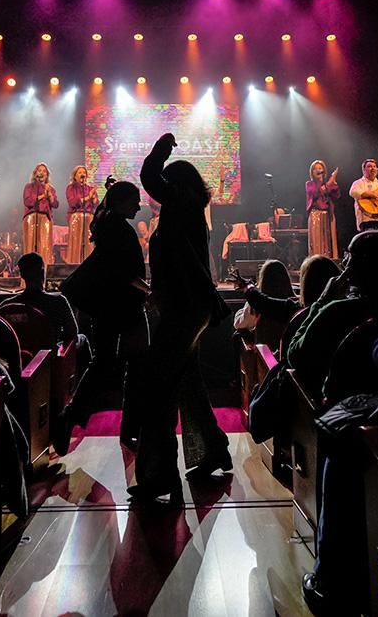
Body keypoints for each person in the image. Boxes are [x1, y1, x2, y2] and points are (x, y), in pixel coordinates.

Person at [129, 133, 231, 502]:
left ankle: (159, 477)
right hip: (190, 304)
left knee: (159, 388)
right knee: (187, 381)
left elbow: (148, 177)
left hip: (184, 307)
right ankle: (213, 450)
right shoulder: (186, 209)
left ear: (178, 184)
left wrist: (161, 147)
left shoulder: (180, 202)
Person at [56, 181, 150, 454]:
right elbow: (125, 273)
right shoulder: (119, 229)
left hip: (109, 305)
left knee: (106, 364)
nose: (138, 206)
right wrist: (149, 291)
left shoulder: (107, 224)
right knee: (134, 366)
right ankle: (127, 429)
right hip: (124, 305)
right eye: (134, 201)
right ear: (121, 202)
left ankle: (72, 416)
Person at [1, 252, 79, 344]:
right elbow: (72, 332)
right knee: (82, 338)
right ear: (42, 272)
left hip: (17, 355)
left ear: (22, 275)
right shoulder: (58, 302)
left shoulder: (7, 305)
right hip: (49, 354)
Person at [22, 162, 59, 265]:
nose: (41, 173)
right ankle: (28, 274)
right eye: (39, 170)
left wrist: (50, 195)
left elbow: (56, 204)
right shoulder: (29, 187)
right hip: (31, 217)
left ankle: (44, 275)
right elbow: (28, 202)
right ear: (35, 173)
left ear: (47, 175)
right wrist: (43, 196)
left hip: (45, 218)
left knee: (45, 247)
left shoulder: (51, 189)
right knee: (30, 246)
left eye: (44, 171)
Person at [306, 160, 341, 258]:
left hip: (328, 215)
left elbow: (337, 195)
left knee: (329, 241)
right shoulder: (310, 184)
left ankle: (330, 262)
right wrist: (330, 182)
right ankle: (316, 262)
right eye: (315, 169)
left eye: (320, 168)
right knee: (317, 241)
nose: (318, 170)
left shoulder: (328, 184)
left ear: (324, 171)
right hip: (316, 215)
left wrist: (333, 183)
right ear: (312, 172)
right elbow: (316, 193)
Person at [65, 165, 99, 264]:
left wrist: (94, 198)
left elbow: (96, 205)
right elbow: (73, 203)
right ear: (75, 176)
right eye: (79, 172)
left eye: (84, 172)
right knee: (76, 243)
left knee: (89, 243)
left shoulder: (90, 188)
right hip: (76, 216)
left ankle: (89, 265)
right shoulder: (71, 188)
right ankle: (74, 265)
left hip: (89, 217)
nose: (82, 174)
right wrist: (88, 197)